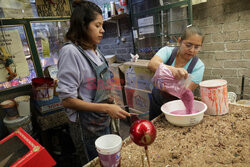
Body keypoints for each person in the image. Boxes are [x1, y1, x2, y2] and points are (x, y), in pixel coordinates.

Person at [56, 0, 130, 164]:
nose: (102, 30)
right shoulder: (71, 52)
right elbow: (67, 100)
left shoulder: (95, 51)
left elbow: (100, 85)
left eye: (102, 25)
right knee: (95, 162)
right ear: (83, 26)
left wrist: (111, 101)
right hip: (86, 126)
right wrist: (106, 107)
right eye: (97, 25)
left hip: (102, 119)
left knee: (109, 159)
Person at [148, 25, 205, 120]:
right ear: (179, 41)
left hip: (178, 105)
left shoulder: (198, 66)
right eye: (188, 45)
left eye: (196, 47)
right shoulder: (168, 51)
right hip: (157, 100)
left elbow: (184, 91)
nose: (191, 50)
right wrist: (172, 70)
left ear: (201, 47)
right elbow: (152, 64)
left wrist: (166, 81)